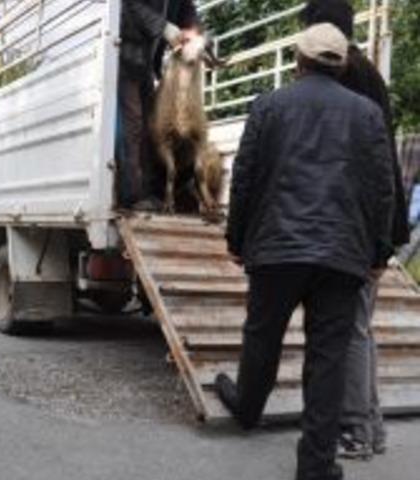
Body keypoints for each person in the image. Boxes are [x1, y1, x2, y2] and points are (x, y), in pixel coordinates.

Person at [215, 24, 395, 480]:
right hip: (342, 255)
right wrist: (379, 253)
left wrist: (236, 240)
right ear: (342, 63)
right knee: (328, 358)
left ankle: (247, 408)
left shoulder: (268, 106)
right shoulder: (368, 113)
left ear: (298, 60)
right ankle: (315, 465)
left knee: (262, 336)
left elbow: (246, 178)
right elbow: (382, 190)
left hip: (276, 249)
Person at [301, 0, 410, 459]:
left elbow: (371, 168)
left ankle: (358, 432)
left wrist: (377, 244)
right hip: (375, 223)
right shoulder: (366, 75)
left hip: (367, 226)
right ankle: (372, 428)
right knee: (359, 328)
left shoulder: (350, 79)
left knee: (352, 331)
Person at [117, 0, 198, 209]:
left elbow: (187, 11)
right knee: (133, 123)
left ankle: (149, 193)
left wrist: (195, 35)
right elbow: (130, 5)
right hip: (124, 55)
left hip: (145, 63)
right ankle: (131, 196)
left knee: (150, 127)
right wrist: (163, 27)